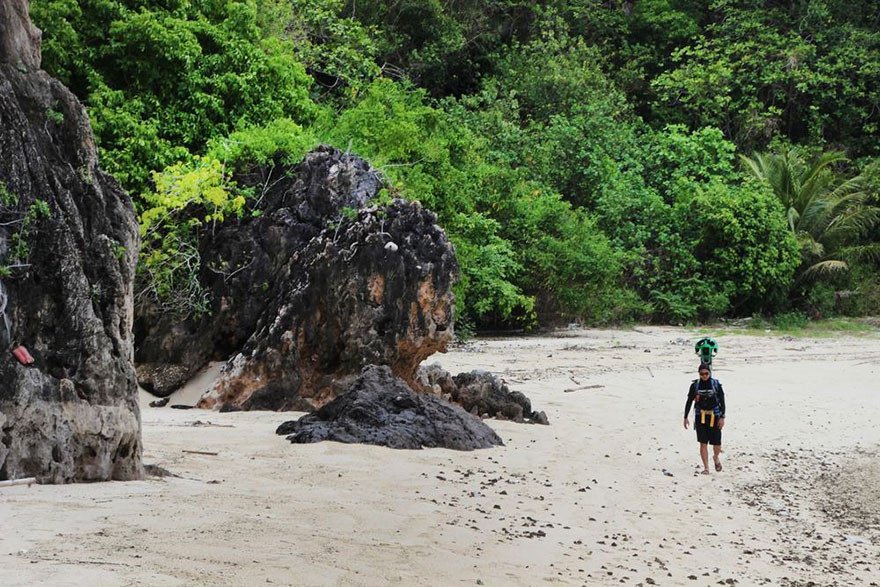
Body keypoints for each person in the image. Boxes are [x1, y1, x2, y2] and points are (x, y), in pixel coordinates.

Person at [683, 363, 726, 474]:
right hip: (700, 416)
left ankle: (716, 457)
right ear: (699, 374)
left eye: (706, 373)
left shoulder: (716, 384)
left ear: (709, 373)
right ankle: (706, 468)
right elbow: (689, 401)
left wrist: (722, 417)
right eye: (702, 374)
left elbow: (722, 400)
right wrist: (685, 416)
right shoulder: (695, 386)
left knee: (717, 443)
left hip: (715, 415)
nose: (704, 376)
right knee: (703, 443)